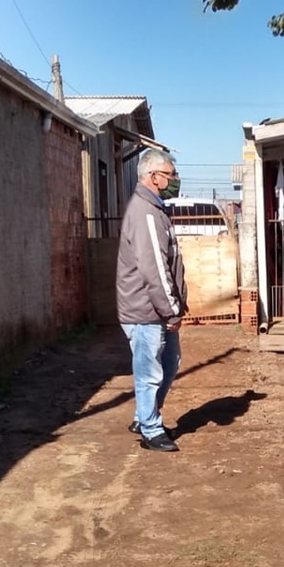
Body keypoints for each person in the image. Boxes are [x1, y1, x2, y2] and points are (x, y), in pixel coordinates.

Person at [117, 149, 188, 452]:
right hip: (145, 310)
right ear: (153, 176)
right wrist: (171, 310)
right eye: (170, 174)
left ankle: (143, 416)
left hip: (154, 309)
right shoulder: (145, 212)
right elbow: (155, 269)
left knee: (170, 362)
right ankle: (150, 430)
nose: (174, 180)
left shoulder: (155, 209)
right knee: (149, 372)